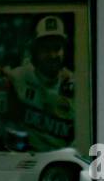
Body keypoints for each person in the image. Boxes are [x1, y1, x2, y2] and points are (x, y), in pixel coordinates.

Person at [7, 15, 76, 151]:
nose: (52, 55)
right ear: (35, 50)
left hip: (58, 161)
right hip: (25, 158)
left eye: (57, 48)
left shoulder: (75, 85)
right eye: (45, 49)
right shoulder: (19, 76)